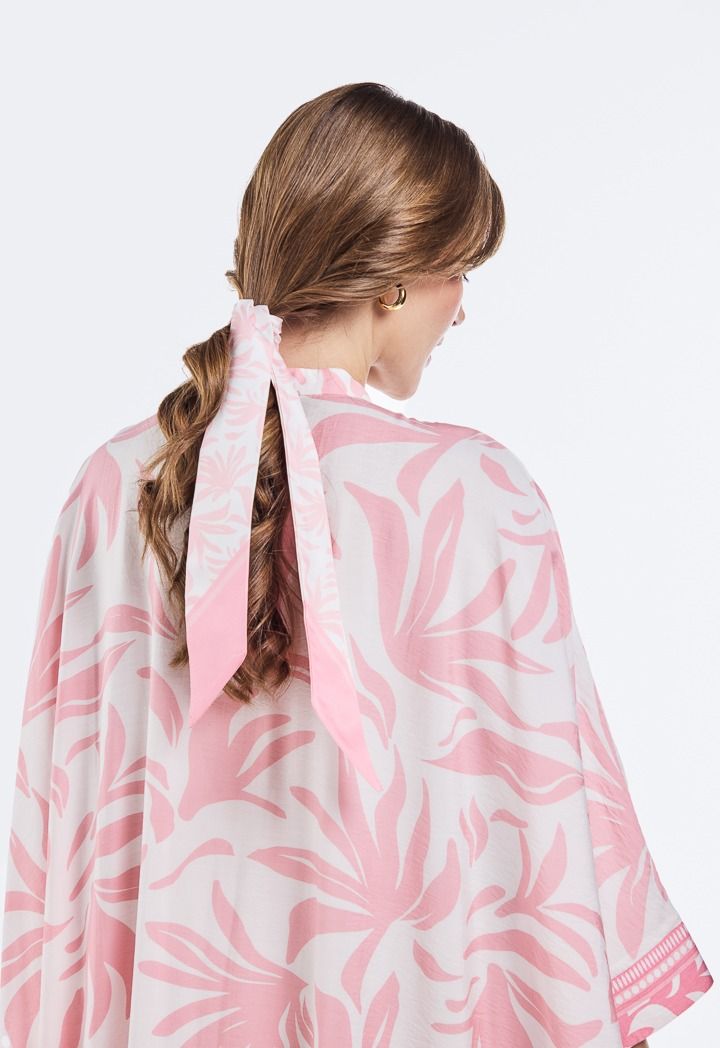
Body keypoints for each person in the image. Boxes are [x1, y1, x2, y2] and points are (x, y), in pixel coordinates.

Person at [0, 81, 712, 1047]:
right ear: (396, 280)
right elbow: (549, 847)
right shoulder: (476, 496)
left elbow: (62, 846)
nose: (462, 311)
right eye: (460, 271)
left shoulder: (113, 486)